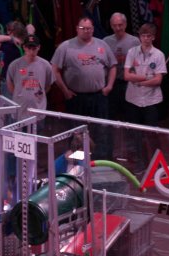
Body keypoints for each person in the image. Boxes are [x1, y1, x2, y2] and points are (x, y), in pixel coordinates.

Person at [51, 16, 116, 160]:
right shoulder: (66, 46)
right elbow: (54, 69)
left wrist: (109, 86)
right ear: (77, 29)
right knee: (76, 131)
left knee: (101, 130)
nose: (86, 31)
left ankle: (101, 161)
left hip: (99, 96)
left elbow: (112, 66)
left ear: (93, 29)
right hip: (76, 97)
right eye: (83, 28)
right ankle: (78, 161)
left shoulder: (102, 45)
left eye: (89, 28)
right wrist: (65, 90)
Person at [122, 22, 166, 172]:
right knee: (135, 134)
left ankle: (157, 165)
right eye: (143, 36)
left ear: (153, 37)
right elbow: (127, 76)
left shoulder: (159, 55)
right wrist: (147, 78)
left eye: (148, 36)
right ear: (139, 36)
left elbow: (158, 80)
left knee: (152, 134)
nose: (145, 39)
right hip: (133, 99)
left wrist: (140, 81)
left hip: (151, 101)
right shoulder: (132, 52)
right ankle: (140, 163)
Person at [6, 34, 53, 118]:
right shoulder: (14, 65)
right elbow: (10, 85)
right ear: (24, 47)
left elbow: (48, 85)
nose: (31, 51)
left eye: (34, 48)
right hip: (20, 108)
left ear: (39, 47)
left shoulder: (46, 65)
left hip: (38, 109)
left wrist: (38, 95)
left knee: (38, 125)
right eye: (29, 48)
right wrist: (20, 94)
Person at [104, 13, 139, 121]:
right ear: (111, 26)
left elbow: (139, 63)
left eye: (120, 25)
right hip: (112, 84)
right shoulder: (105, 41)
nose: (118, 28)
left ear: (125, 24)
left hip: (129, 83)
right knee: (111, 114)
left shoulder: (135, 41)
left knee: (131, 115)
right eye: (115, 25)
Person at [0, 20, 28, 99]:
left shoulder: (24, 45)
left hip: (17, 79)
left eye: (9, 30)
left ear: (14, 31)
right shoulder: (8, 44)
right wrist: (11, 38)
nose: (7, 32)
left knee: (12, 103)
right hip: (8, 79)